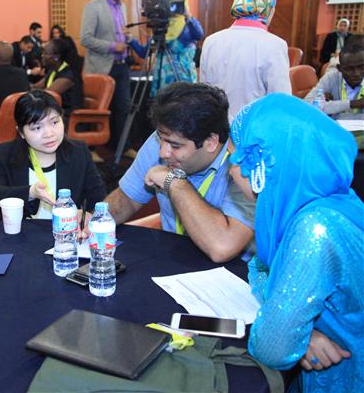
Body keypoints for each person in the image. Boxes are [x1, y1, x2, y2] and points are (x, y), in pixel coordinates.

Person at [228, 93, 363, 393]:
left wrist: (292, 336)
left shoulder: (313, 230)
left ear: (260, 166)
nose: (230, 171)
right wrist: (305, 335)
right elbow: (263, 268)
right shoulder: (336, 201)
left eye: (233, 158)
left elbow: (272, 347)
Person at [92, 82, 255, 263]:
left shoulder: (243, 163)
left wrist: (174, 182)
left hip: (234, 271)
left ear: (211, 142)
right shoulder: (164, 139)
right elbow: (127, 200)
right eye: (161, 139)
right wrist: (94, 221)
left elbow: (221, 247)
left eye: (175, 146)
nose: (163, 153)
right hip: (174, 259)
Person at [0, 90, 106, 219]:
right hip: (21, 229)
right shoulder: (3, 154)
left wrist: (86, 216)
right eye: (37, 127)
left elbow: (98, 199)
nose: (49, 134)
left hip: (65, 229)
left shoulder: (78, 152)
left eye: (54, 122)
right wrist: (31, 192)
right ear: (21, 132)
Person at [200, 0, 291, 121]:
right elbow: (281, 103)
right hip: (253, 129)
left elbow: (203, 94)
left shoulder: (211, 41)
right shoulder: (275, 45)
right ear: (269, 9)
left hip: (216, 127)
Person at [81, 0, 136, 160]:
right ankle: (90, 149)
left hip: (122, 66)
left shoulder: (123, 7)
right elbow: (85, 39)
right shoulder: (93, 6)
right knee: (96, 109)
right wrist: (113, 46)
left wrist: (128, 38)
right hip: (101, 67)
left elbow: (121, 35)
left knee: (123, 108)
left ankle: (122, 147)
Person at [127, 0, 204, 95]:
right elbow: (143, 53)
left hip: (184, 83)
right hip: (163, 85)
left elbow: (199, 34)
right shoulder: (161, 30)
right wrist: (130, 39)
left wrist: (188, 15)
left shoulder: (188, 28)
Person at [31, 39, 83, 125]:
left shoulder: (68, 75)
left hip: (70, 119)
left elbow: (46, 95)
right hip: (57, 115)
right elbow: (35, 87)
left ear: (56, 57)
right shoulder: (54, 71)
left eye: (46, 53)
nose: (42, 56)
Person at [305, 41, 363, 115]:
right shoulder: (331, 78)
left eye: (361, 67)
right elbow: (307, 105)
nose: (357, 74)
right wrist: (352, 104)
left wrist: (330, 106)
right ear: (339, 68)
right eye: (349, 69)